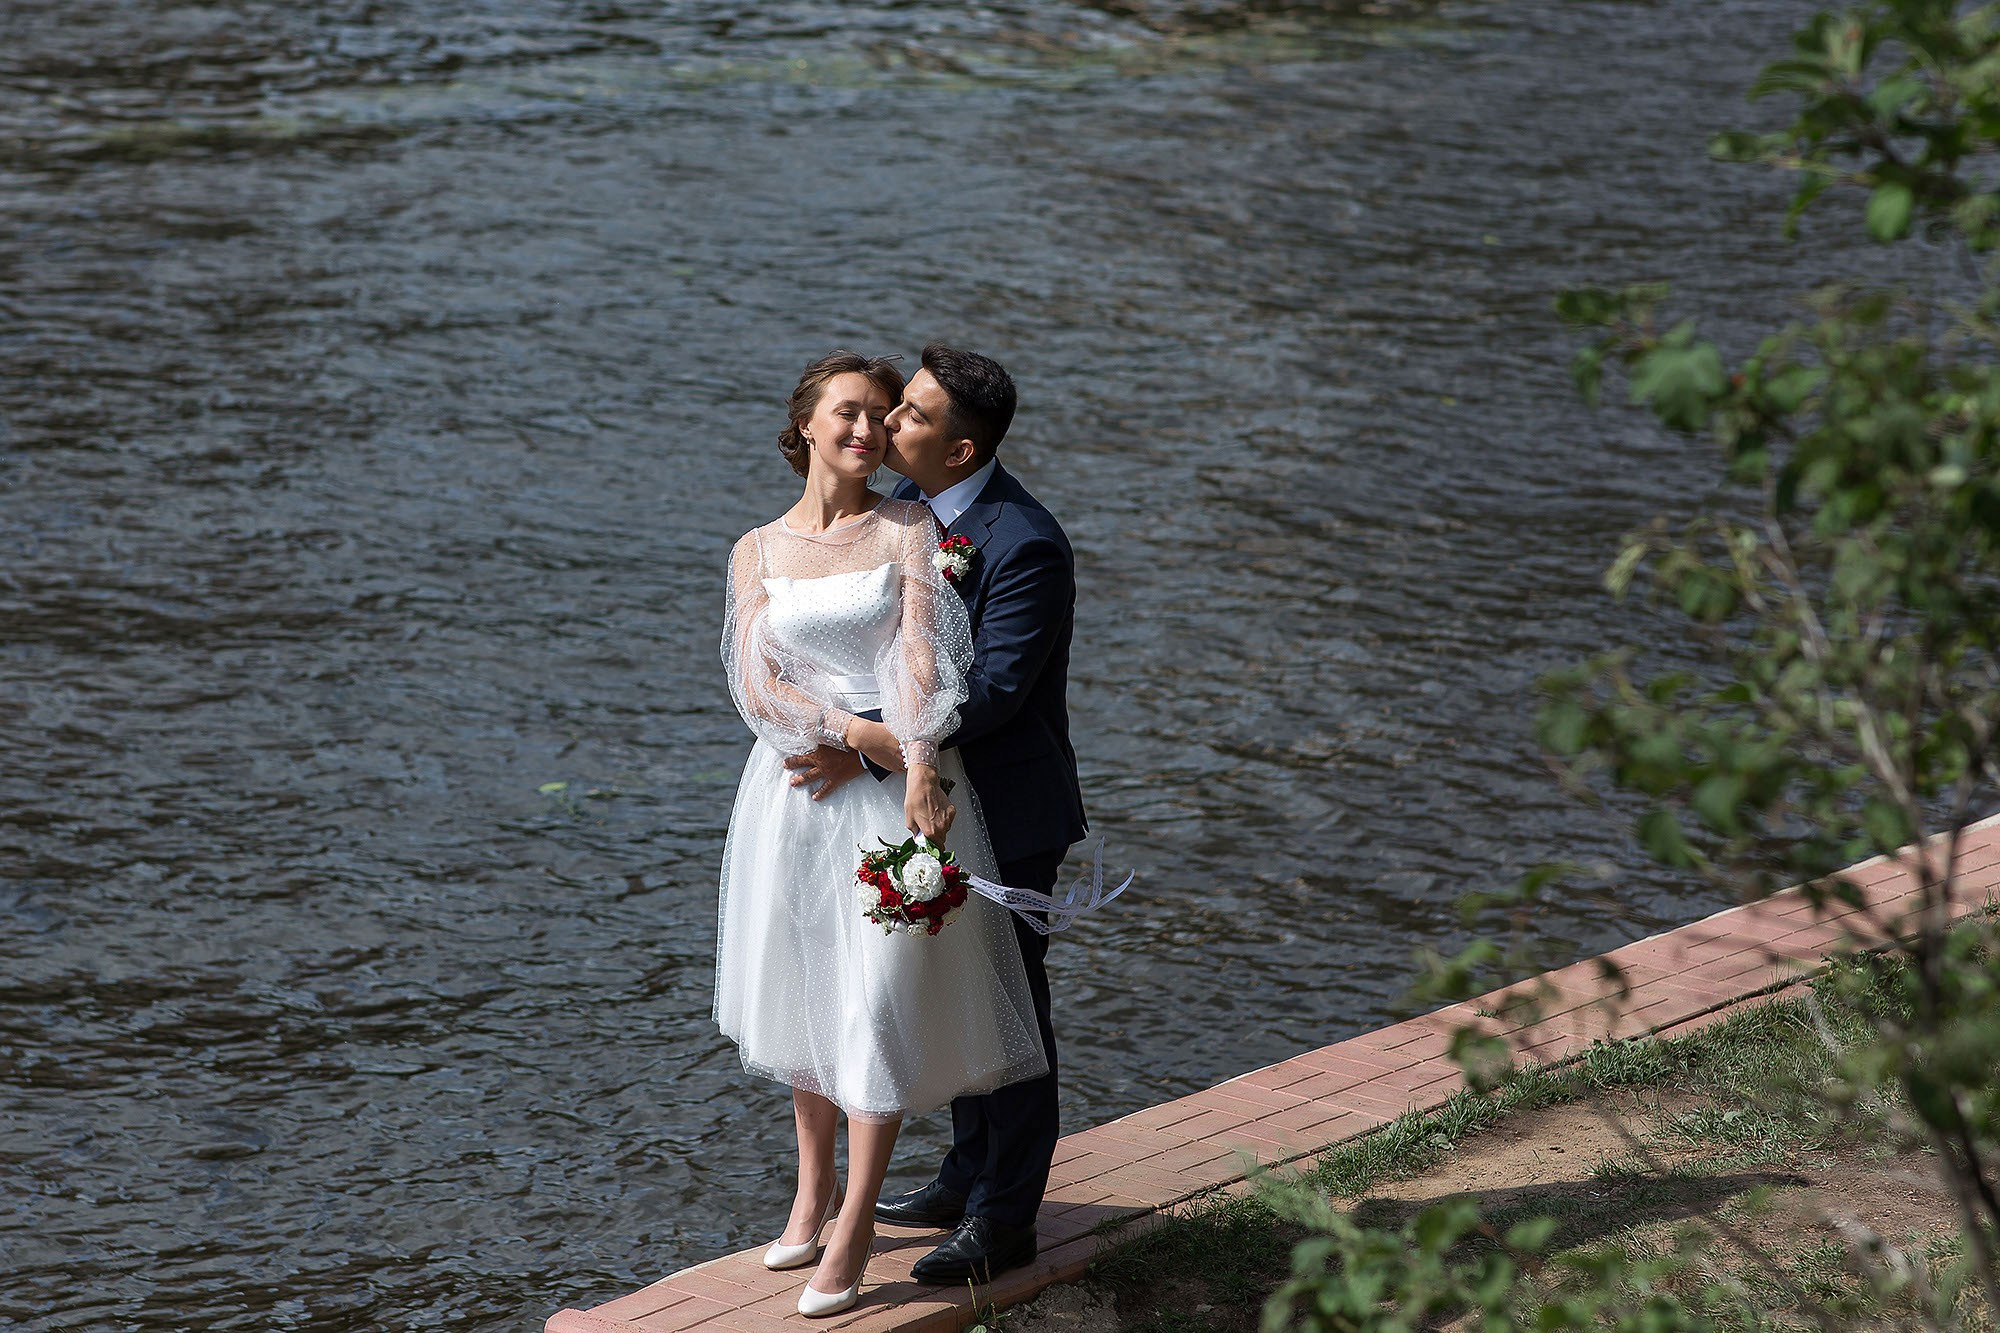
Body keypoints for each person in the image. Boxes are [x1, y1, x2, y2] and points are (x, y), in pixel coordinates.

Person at [714, 350, 1048, 1318]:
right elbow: (757, 683)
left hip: (893, 793)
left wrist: (905, 757)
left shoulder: (908, 526)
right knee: (804, 988)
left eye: (885, 414)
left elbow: (921, 663)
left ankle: (858, 1219)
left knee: (877, 1001)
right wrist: (840, 733)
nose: (870, 429)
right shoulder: (755, 548)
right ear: (805, 427)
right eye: (851, 413)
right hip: (793, 791)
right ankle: (812, 1191)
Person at [783, 343, 1087, 1286]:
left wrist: (867, 740)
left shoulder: (1023, 542)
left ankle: (1007, 1216)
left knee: (1010, 1007)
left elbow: (992, 689)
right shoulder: (910, 508)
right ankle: (963, 1175)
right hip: (923, 798)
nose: (886, 422)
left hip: (1005, 805)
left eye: (909, 413)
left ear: (960, 451)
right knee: (954, 991)